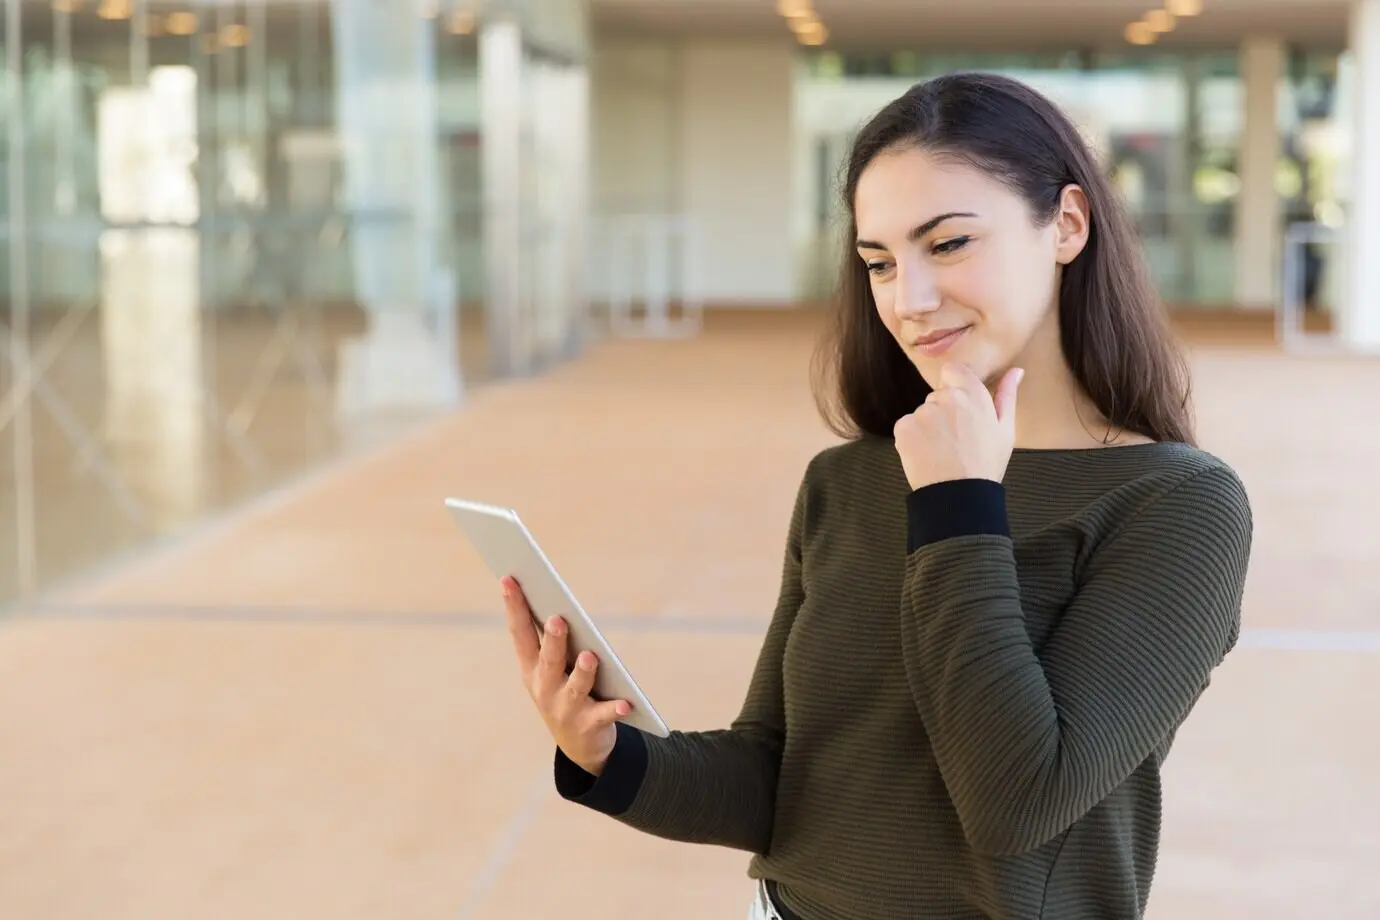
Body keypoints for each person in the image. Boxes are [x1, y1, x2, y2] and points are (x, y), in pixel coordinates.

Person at [500, 71, 1253, 920]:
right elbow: (778, 776)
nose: (909, 299)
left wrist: (962, 502)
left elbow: (1015, 802)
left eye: (949, 244)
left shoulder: (1179, 506)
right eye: (880, 262)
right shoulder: (850, 480)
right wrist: (608, 754)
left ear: (1067, 226)